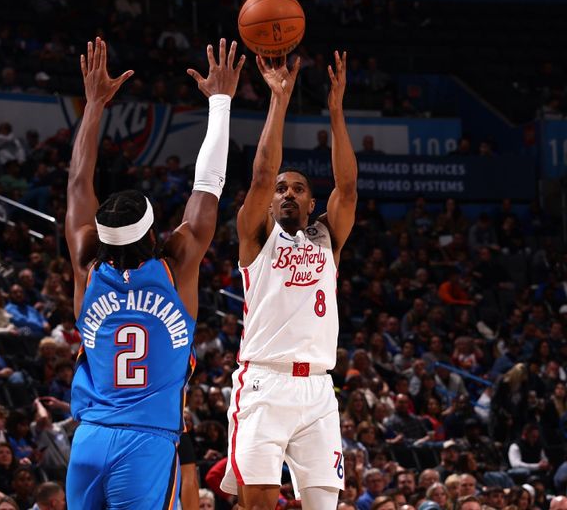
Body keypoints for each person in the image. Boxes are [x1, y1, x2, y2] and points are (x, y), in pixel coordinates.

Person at [65, 37, 244, 509]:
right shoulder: (176, 264)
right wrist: (221, 101)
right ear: (152, 231)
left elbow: (78, 181)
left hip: (88, 439)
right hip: (146, 443)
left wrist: (95, 106)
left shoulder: (86, 263)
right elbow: (208, 186)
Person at [221, 51, 357, 509]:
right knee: (257, 504)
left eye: (297, 188)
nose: (286, 193)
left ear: (312, 203)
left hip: (319, 388)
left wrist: (335, 111)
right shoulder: (256, 237)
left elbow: (349, 188)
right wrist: (279, 100)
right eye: (281, 189)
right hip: (265, 383)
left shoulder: (327, 238)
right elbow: (261, 173)